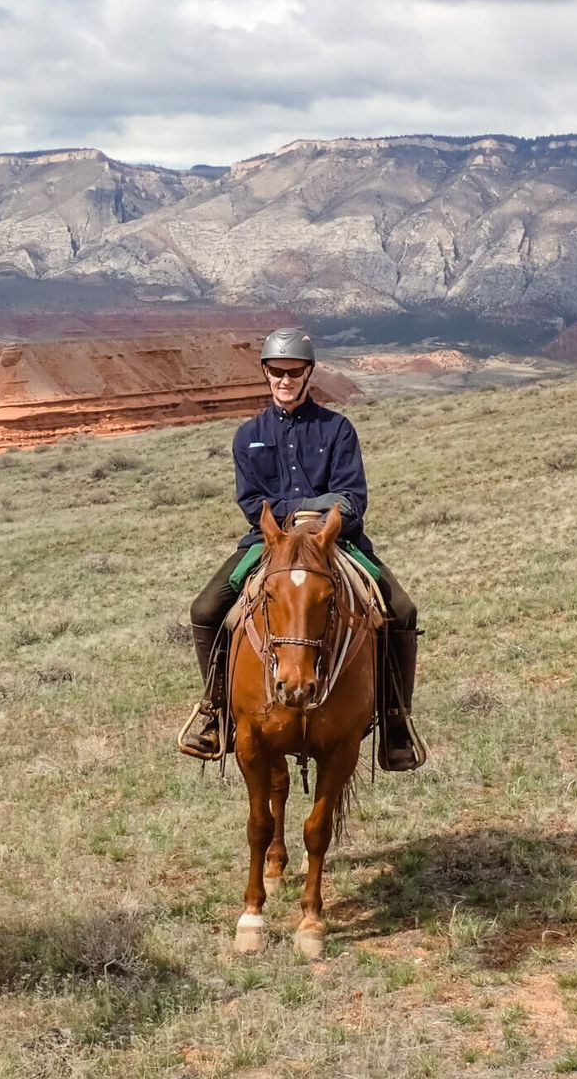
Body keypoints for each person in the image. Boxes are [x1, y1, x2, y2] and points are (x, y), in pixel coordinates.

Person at [179, 327, 425, 770]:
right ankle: (215, 713)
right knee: (206, 609)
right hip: (267, 544)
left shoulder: (338, 429)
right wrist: (312, 508)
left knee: (401, 610)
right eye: (276, 371)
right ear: (265, 373)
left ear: (309, 373)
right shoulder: (247, 435)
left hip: (337, 543)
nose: (285, 380)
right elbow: (253, 505)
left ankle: (395, 721)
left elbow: (352, 499)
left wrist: (303, 514)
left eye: (294, 371)